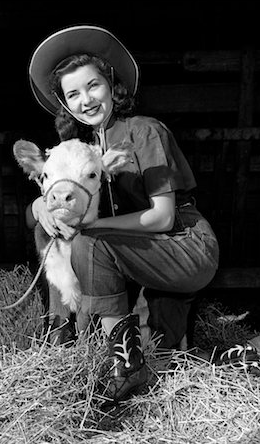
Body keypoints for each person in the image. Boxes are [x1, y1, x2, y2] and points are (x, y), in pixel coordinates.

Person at [25, 25, 220, 402]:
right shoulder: (80, 149)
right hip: (136, 256)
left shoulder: (144, 132)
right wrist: (38, 208)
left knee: (88, 239)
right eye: (73, 94)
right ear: (65, 104)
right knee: (61, 235)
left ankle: (123, 364)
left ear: (112, 84)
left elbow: (162, 217)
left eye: (93, 86)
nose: (86, 100)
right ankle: (76, 340)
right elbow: (47, 202)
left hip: (182, 243)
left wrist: (93, 225)